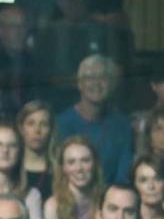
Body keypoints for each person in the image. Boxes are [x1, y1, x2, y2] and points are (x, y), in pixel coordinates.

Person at [55, 55, 133, 186]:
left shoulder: (122, 125)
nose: (96, 83)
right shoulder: (61, 123)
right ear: (79, 84)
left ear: (111, 84)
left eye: (103, 78)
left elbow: (123, 174)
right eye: (90, 78)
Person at [43, 136, 104, 219]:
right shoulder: (53, 206)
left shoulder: (105, 203)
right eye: (71, 162)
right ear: (63, 168)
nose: (79, 168)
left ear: (94, 164)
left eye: (85, 160)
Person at [17, 100, 56, 202]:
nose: (37, 130)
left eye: (44, 124)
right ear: (21, 128)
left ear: (51, 130)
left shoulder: (59, 171)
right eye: (31, 123)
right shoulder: (11, 168)